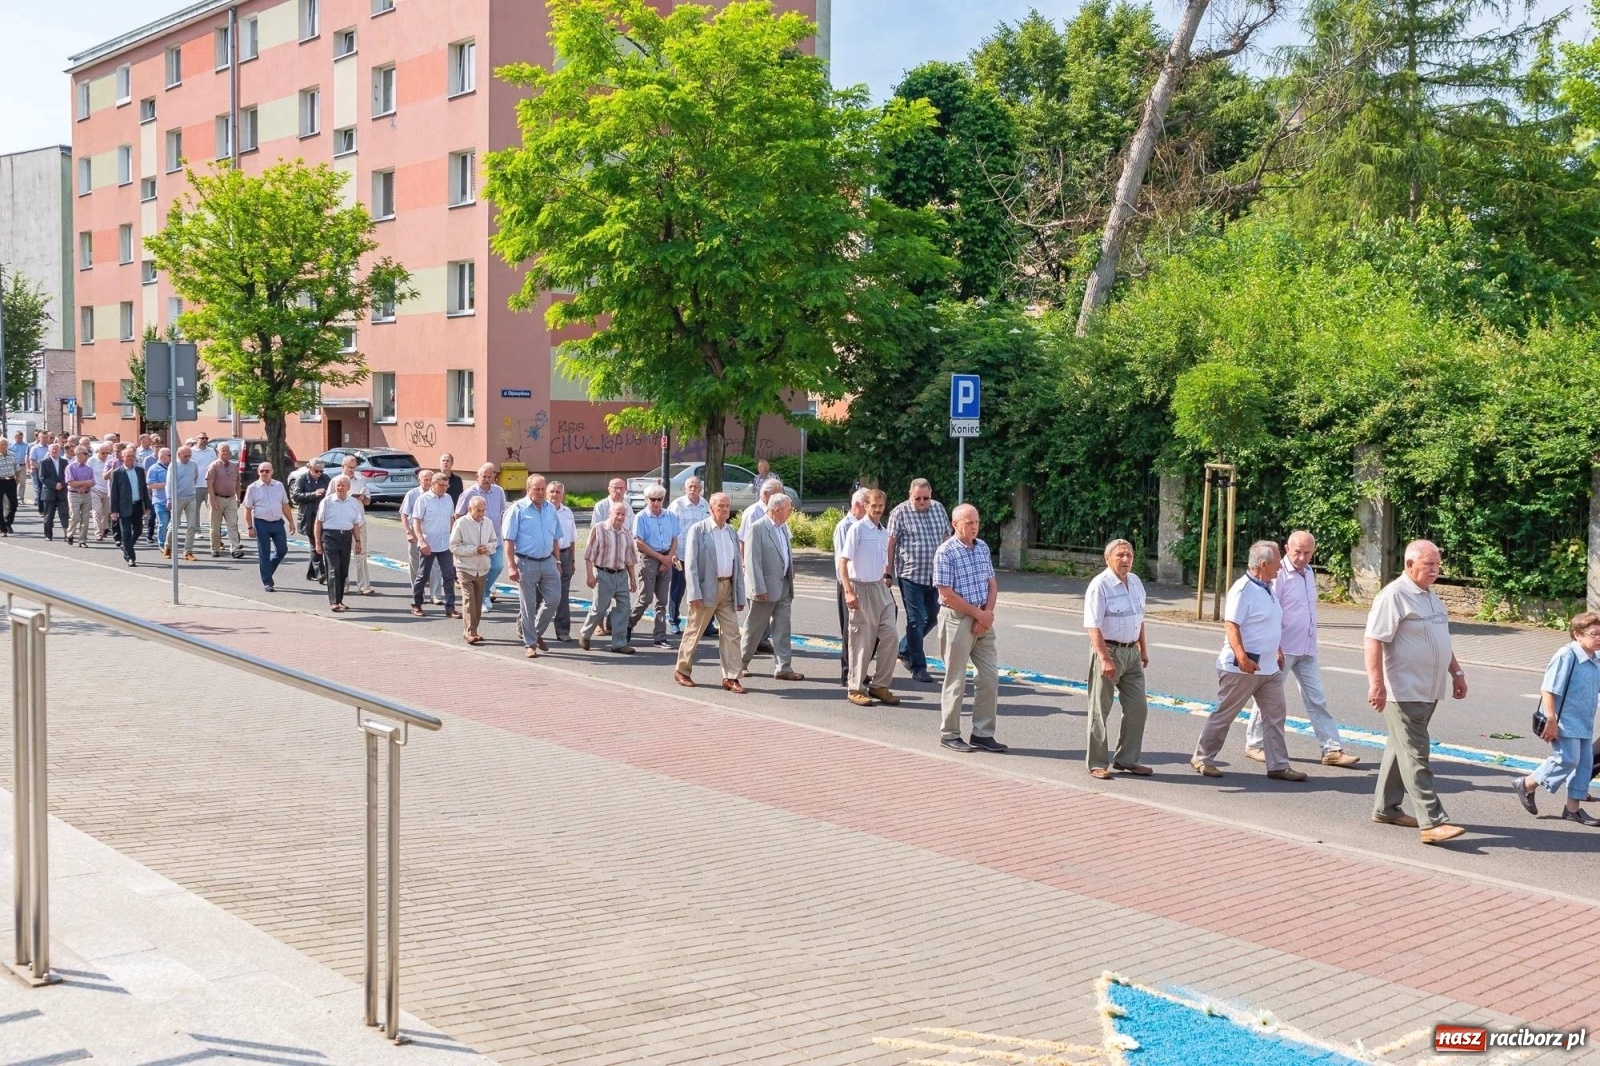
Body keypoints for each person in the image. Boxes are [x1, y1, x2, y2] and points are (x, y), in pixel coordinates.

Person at [1364, 539, 1469, 845]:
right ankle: (1432, 821)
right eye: (1428, 564)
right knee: (1416, 754)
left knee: (1401, 748)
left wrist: (1456, 672)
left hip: (1429, 688)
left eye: (1437, 564)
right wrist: (1377, 683)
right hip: (1404, 689)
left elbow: (1441, 640)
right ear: (1409, 565)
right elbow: (1373, 640)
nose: (1435, 570)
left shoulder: (1431, 596)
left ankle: (1385, 809)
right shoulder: (1393, 596)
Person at [1242, 531, 1360, 768]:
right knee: (1268, 698)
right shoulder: (1278, 575)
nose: (1302, 557)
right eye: (1297, 552)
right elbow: (1269, 612)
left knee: (1317, 699)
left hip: (1306, 648)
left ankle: (1331, 750)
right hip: (1282, 650)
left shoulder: (1308, 572)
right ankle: (1255, 744)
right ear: (1287, 548)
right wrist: (1275, 647)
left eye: (1307, 553)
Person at [1192, 541, 1307, 782]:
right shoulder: (1243, 589)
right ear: (1264, 564)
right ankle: (1203, 758)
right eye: (1277, 562)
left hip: (1269, 668)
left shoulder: (1268, 587)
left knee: (1275, 715)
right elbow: (1231, 625)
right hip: (1242, 668)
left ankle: (1278, 765)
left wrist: (1277, 649)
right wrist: (1242, 658)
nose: (1280, 566)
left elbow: (1269, 623)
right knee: (1226, 714)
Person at [1515, 612, 1600, 827]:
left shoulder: (1595, 660)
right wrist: (1551, 719)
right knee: (1567, 759)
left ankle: (1573, 809)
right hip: (1563, 720)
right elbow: (1548, 689)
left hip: (1584, 721)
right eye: (1595, 634)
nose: (1599, 638)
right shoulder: (1567, 655)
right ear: (1577, 635)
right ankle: (1526, 783)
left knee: (1584, 764)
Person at [934, 504, 1006, 753]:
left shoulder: (983, 547)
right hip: (957, 618)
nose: (974, 527)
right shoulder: (946, 552)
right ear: (955, 524)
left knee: (989, 676)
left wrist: (986, 616)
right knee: (956, 679)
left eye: (976, 522)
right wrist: (977, 615)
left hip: (981, 616)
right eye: (968, 522)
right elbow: (946, 593)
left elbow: (992, 584)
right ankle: (950, 733)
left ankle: (982, 733)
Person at [1083, 539, 1151, 778]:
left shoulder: (1135, 582)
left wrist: (1143, 648)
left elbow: (1139, 618)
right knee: (1100, 709)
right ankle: (1097, 763)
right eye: (1120, 555)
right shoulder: (1100, 585)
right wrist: (1104, 658)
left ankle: (1128, 759)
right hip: (1109, 651)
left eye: (1129, 556)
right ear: (1108, 558)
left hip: (1131, 652)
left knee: (1138, 708)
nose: (1125, 560)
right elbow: (1093, 626)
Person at [674, 492, 746, 691]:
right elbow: (691, 565)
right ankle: (682, 670)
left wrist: (739, 593)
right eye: (720, 505)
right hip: (706, 588)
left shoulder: (731, 531)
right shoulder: (699, 530)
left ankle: (731, 677)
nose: (724, 509)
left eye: (727, 506)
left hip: (727, 588)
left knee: (732, 633)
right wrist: (694, 593)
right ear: (710, 508)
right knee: (694, 631)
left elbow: (737, 565)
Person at [885, 479, 950, 684]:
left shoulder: (938, 508)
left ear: (931, 494)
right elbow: (890, 544)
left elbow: (947, 538)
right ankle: (918, 666)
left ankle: (904, 649)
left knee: (932, 616)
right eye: (918, 498)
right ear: (910, 494)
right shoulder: (899, 513)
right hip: (910, 575)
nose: (922, 501)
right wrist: (888, 572)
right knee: (916, 619)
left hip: (935, 576)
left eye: (926, 498)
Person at [841, 489, 899, 707]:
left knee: (891, 635)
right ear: (865, 505)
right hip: (860, 587)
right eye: (874, 505)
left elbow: (883, 559)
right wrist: (848, 591)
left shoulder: (882, 531)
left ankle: (880, 685)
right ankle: (855, 687)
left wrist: (885, 577)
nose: (877, 510)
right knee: (862, 640)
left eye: (881, 506)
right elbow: (843, 562)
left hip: (879, 587)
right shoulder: (857, 529)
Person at [739, 494, 805, 681]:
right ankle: (741, 663)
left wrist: (790, 568)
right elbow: (752, 561)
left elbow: (785, 551)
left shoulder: (783, 527)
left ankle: (783, 667)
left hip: (783, 585)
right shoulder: (757, 528)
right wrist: (758, 588)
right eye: (789, 509)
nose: (791, 512)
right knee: (755, 628)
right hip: (764, 589)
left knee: (783, 628)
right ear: (777, 509)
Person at [502, 475, 562, 658]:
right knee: (528, 605)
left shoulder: (550, 509)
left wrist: (557, 561)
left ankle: (536, 633)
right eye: (537, 489)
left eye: (543, 489)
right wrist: (511, 566)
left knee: (554, 599)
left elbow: (555, 538)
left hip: (548, 561)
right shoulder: (517, 510)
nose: (541, 492)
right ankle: (530, 643)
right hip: (526, 562)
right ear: (528, 489)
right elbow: (509, 540)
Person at [581, 497, 639, 653]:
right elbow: (589, 556)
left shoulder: (626, 533)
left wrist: (633, 579)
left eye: (623, 515)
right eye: (617, 514)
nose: (620, 517)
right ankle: (586, 634)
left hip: (621, 575)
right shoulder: (599, 529)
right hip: (603, 574)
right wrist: (589, 576)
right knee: (599, 608)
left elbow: (630, 559)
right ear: (610, 513)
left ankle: (619, 643)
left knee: (624, 608)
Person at [631, 485, 680, 648]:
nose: (656, 503)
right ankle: (627, 625)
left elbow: (675, 539)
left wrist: (668, 559)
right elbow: (639, 543)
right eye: (653, 499)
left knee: (662, 601)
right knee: (645, 598)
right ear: (646, 500)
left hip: (666, 555)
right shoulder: (641, 517)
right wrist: (661, 558)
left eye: (659, 499)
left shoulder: (670, 516)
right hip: (649, 558)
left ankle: (660, 637)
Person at [407, 472, 460, 618]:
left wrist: (453, 537)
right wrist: (421, 540)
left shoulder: (448, 498)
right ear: (433, 484)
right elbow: (416, 522)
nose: (444, 488)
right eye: (441, 485)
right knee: (423, 575)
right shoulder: (423, 499)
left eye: (446, 485)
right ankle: (416, 604)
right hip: (428, 543)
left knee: (449, 576)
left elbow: (451, 519)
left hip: (445, 544)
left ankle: (450, 607)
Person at [457, 464, 507, 613]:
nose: (486, 479)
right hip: (475, 541)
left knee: (497, 566)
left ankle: (484, 593)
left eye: (489, 476)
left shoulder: (499, 491)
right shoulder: (468, 493)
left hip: (495, 538)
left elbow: (503, 512)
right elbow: (458, 515)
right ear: (477, 477)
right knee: (480, 571)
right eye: (483, 476)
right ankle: (480, 599)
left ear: (493, 477)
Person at [832, 490, 869, 685]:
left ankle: (860, 667)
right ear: (860, 505)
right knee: (850, 629)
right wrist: (847, 589)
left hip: (868, 585)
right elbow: (842, 561)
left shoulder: (868, 526)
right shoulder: (845, 526)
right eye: (869, 503)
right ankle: (848, 672)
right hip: (849, 584)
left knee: (868, 628)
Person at [451, 493, 499, 643]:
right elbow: (454, 546)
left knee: (478, 601)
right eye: (478, 510)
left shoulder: (488, 523)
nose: (481, 514)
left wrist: (488, 548)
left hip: (483, 568)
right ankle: (470, 631)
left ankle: (472, 629)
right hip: (465, 567)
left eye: (483, 510)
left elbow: (494, 542)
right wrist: (474, 550)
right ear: (469, 509)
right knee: (469, 600)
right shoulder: (461, 523)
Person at [666, 476, 710, 635]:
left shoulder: (705, 505)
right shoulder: (677, 505)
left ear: (700, 488)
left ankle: (706, 623)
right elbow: (670, 531)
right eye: (690, 487)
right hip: (681, 554)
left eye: (696, 487)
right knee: (678, 589)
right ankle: (673, 621)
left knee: (705, 589)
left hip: (701, 555)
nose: (693, 489)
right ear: (685, 489)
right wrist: (672, 553)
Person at [315, 475, 363, 612]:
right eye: (338, 485)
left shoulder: (353, 502)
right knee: (333, 568)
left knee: (343, 570)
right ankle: (334, 601)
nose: (340, 488)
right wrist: (318, 542)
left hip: (346, 537)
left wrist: (358, 541)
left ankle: (340, 600)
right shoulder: (327, 501)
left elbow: (355, 523)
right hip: (330, 537)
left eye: (343, 485)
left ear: (348, 487)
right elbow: (318, 522)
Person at [243, 461, 292, 591]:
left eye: (267, 471)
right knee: (264, 552)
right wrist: (250, 527)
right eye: (262, 471)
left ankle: (267, 570)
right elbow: (247, 509)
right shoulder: (252, 488)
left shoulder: (279, 485)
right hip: (261, 523)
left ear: (272, 472)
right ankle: (268, 582)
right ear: (258, 472)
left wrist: (291, 522)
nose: (264, 473)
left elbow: (285, 505)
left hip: (277, 523)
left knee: (282, 549)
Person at [402, 469, 444, 604]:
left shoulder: (441, 495)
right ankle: (418, 594)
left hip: (433, 535)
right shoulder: (412, 494)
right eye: (424, 479)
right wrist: (408, 531)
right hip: (415, 534)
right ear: (419, 480)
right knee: (416, 565)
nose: (427, 482)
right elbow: (404, 514)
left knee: (435, 566)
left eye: (429, 479)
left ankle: (436, 595)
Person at [290, 458, 331, 582]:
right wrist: (313, 494)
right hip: (309, 517)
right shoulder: (301, 479)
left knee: (321, 544)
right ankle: (321, 573)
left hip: (323, 517)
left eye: (321, 471)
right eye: (316, 471)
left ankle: (311, 573)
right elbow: (295, 497)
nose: (319, 473)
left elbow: (331, 493)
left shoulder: (326, 478)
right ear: (310, 468)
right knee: (315, 544)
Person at [108, 445, 150, 567]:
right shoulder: (117, 473)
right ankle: (131, 557)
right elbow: (114, 493)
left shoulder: (139, 471)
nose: (130, 458)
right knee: (125, 532)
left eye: (132, 456)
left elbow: (143, 489)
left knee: (138, 530)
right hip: (123, 507)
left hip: (137, 505)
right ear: (123, 457)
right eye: (128, 456)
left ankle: (126, 547)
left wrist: (147, 506)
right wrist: (113, 511)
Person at [340, 455, 375, 594]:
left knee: (361, 553)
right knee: (343, 555)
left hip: (359, 522)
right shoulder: (336, 481)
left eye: (354, 467)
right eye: (349, 467)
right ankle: (344, 585)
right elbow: (329, 500)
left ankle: (364, 586)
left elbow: (368, 502)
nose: (352, 470)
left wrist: (363, 497)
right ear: (343, 466)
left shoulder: (360, 480)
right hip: (342, 523)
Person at [548, 481, 577, 639]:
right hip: (548, 555)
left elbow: (572, 538)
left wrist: (572, 560)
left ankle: (563, 631)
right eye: (551, 491)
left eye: (558, 492)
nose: (554, 495)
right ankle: (526, 626)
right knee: (540, 594)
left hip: (565, 555)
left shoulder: (568, 512)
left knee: (563, 594)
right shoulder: (544, 511)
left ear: (563, 495)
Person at [206, 443, 244, 558]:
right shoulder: (213, 466)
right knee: (215, 526)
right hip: (217, 498)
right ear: (218, 452)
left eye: (228, 450)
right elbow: (210, 485)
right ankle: (215, 548)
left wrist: (238, 498)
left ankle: (235, 549)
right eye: (223, 451)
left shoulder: (234, 466)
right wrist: (213, 500)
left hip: (231, 499)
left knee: (233, 524)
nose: (226, 452)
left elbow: (238, 483)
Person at [166, 445, 203, 560]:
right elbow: (169, 484)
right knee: (174, 525)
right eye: (185, 456)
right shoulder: (174, 466)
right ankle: (168, 547)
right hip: (177, 498)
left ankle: (188, 551)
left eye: (189, 456)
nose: (187, 458)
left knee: (192, 525)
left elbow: (195, 477)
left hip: (191, 497)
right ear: (179, 455)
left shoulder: (193, 464)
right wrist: (169, 499)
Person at [65, 445, 96, 547]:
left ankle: (82, 540)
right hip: (74, 495)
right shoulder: (70, 467)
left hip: (86, 494)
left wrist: (85, 486)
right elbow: (70, 482)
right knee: (75, 517)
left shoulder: (88, 468)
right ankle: (70, 533)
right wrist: (84, 483)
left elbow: (92, 482)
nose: (87, 455)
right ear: (78, 454)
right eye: (85, 453)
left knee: (85, 518)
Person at [36, 443, 67, 540]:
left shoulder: (64, 462)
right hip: (49, 492)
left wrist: (62, 484)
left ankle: (67, 534)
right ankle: (48, 535)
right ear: (49, 451)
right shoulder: (44, 462)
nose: (54, 451)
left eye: (56, 449)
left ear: (59, 451)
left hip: (62, 491)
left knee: (64, 514)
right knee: (49, 515)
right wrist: (54, 485)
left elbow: (67, 475)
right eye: (52, 449)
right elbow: (42, 477)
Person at [89, 441, 114, 541]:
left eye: (107, 453)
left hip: (107, 489)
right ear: (97, 452)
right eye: (102, 453)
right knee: (97, 511)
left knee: (106, 512)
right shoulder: (92, 460)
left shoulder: (111, 459)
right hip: (95, 489)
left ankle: (103, 529)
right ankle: (98, 532)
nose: (105, 455)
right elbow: (88, 473)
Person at [147, 448, 171, 549]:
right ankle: (162, 544)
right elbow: (150, 485)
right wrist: (167, 485)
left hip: (173, 501)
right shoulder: (154, 468)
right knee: (163, 523)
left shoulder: (173, 467)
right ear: (162, 456)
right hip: (160, 501)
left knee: (172, 525)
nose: (171, 457)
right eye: (169, 455)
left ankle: (169, 543)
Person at [28, 432, 50, 515]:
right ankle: (41, 510)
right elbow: (32, 461)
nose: (44, 439)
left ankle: (48, 509)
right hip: (38, 471)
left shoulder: (50, 448)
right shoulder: (35, 448)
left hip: (48, 472)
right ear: (39, 438)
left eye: (46, 437)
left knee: (48, 490)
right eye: (43, 438)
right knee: (40, 490)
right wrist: (41, 468)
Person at [0, 445, 18, 536]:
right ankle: (3, 528)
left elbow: (16, 468)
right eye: (1, 444)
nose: (3, 446)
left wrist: (17, 478)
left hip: (10, 480)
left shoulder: (12, 455)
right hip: (0, 480)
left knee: (14, 504)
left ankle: (8, 522)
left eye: (5, 444)